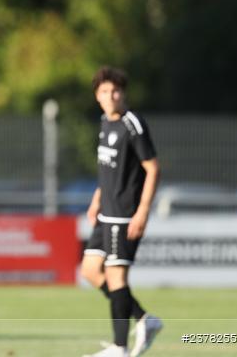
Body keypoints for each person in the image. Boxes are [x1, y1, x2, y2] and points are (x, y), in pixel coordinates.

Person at [80, 66, 163, 357]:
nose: (110, 96)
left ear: (123, 93)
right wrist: (97, 198)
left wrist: (143, 211)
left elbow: (153, 169)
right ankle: (143, 318)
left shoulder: (133, 124)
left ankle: (120, 348)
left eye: (115, 91)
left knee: (116, 278)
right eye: (104, 91)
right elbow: (108, 168)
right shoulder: (105, 122)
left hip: (125, 214)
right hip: (106, 212)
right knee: (90, 271)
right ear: (97, 96)